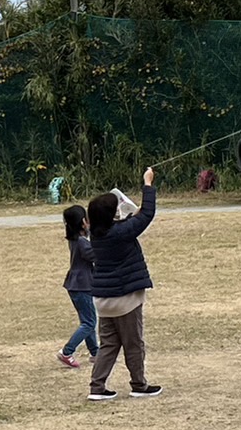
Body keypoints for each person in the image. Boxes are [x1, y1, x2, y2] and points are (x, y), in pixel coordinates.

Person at [86, 167, 162, 401]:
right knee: (133, 343)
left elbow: (128, 222)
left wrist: (132, 215)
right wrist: (147, 184)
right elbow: (147, 215)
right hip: (125, 300)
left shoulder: (96, 234)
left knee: (108, 344)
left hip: (104, 301)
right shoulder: (119, 233)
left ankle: (97, 387)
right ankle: (139, 385)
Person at [57, 204, 97, 368]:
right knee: (89, 323)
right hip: (82, 285)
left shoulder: (75, 240)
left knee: (87, 320)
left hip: (75, 284)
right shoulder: (82, 242)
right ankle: (67, 351)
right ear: (82, 222)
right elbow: (95, 255)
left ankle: (95, 353)